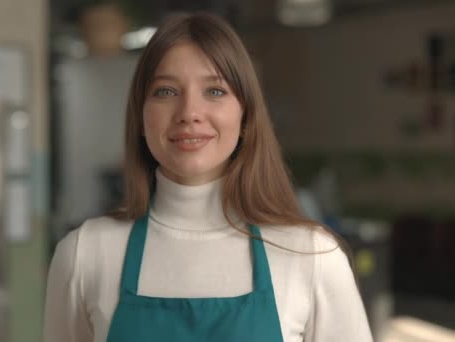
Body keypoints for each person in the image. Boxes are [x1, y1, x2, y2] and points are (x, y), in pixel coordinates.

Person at [44, 12, 372, 342]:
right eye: (166, 91)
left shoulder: (311, 256)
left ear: (246, 116)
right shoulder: (84, 254)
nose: (189, 113)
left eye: (214, 91)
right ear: (141, 116)